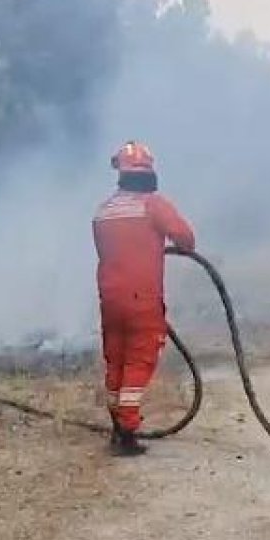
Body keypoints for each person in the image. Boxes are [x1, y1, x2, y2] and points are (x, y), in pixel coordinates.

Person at [92, 141, 196, 456]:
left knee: (117, 359)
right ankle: (127, 430)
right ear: (149, 171)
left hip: (110, 298)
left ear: (121, 174)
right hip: (142, 298)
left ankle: (117, 424)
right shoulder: (153, 205)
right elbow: (186, 239)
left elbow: (107, 252)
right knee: (140, 358)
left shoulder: (103, 211)